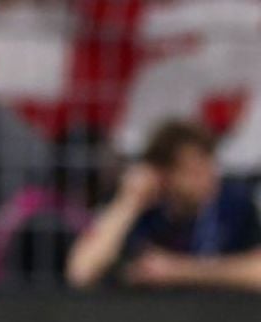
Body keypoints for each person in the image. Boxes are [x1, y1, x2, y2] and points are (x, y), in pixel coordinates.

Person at [67, 119, 261, 291]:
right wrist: (128, 202)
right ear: (163, 175)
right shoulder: (141, 211)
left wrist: (179, 271)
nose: (208, 179)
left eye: (210, 166)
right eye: (193, 171)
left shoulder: (233, 206)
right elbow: (81, 273)